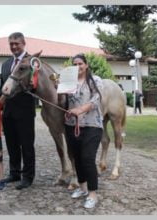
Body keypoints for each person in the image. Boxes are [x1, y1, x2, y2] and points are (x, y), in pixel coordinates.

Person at [64, 53, 103, 209]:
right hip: (71, 125)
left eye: (80, 63)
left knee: (87, 158)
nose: (78, 67)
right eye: (74, 64)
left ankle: (93, 194)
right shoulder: (69, 82)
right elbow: (62, 100)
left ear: (86, 65)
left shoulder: (96, 80)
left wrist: (80, 109)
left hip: (92, 125)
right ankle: (83, 188)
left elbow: (96, 100)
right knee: (77, 158)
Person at [0, 32, 36, 190]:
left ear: (23, 43)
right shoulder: (5, 64)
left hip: (25, 111)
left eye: (17, 43)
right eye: (11, 44)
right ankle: (14, 173)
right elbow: (3, 86)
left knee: (27, 146)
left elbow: (38, 85)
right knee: (12, 144)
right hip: (8, 112)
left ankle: (28, 177)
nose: (14, 46)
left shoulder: (33, 62)